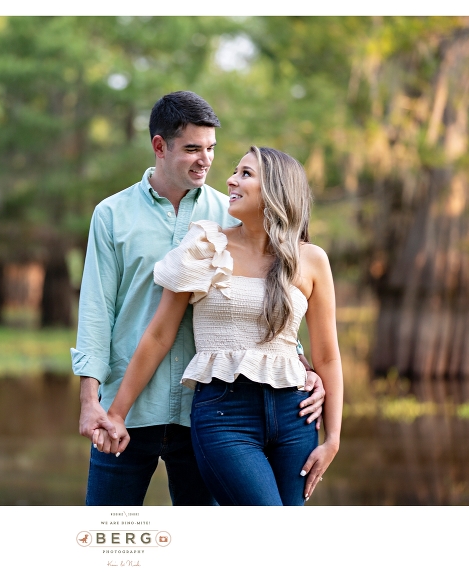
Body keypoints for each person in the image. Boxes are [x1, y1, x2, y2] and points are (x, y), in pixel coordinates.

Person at [71, 91, 325, 506]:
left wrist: (298, 362)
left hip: (207, 413)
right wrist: (90, 400)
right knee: (108, 531)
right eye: (192, 148)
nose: (205, 160)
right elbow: (97, 312)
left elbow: (267, 294)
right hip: (130, 406)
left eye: (210, 149)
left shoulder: (235, 213)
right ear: (159, 146)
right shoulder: (112, 215)